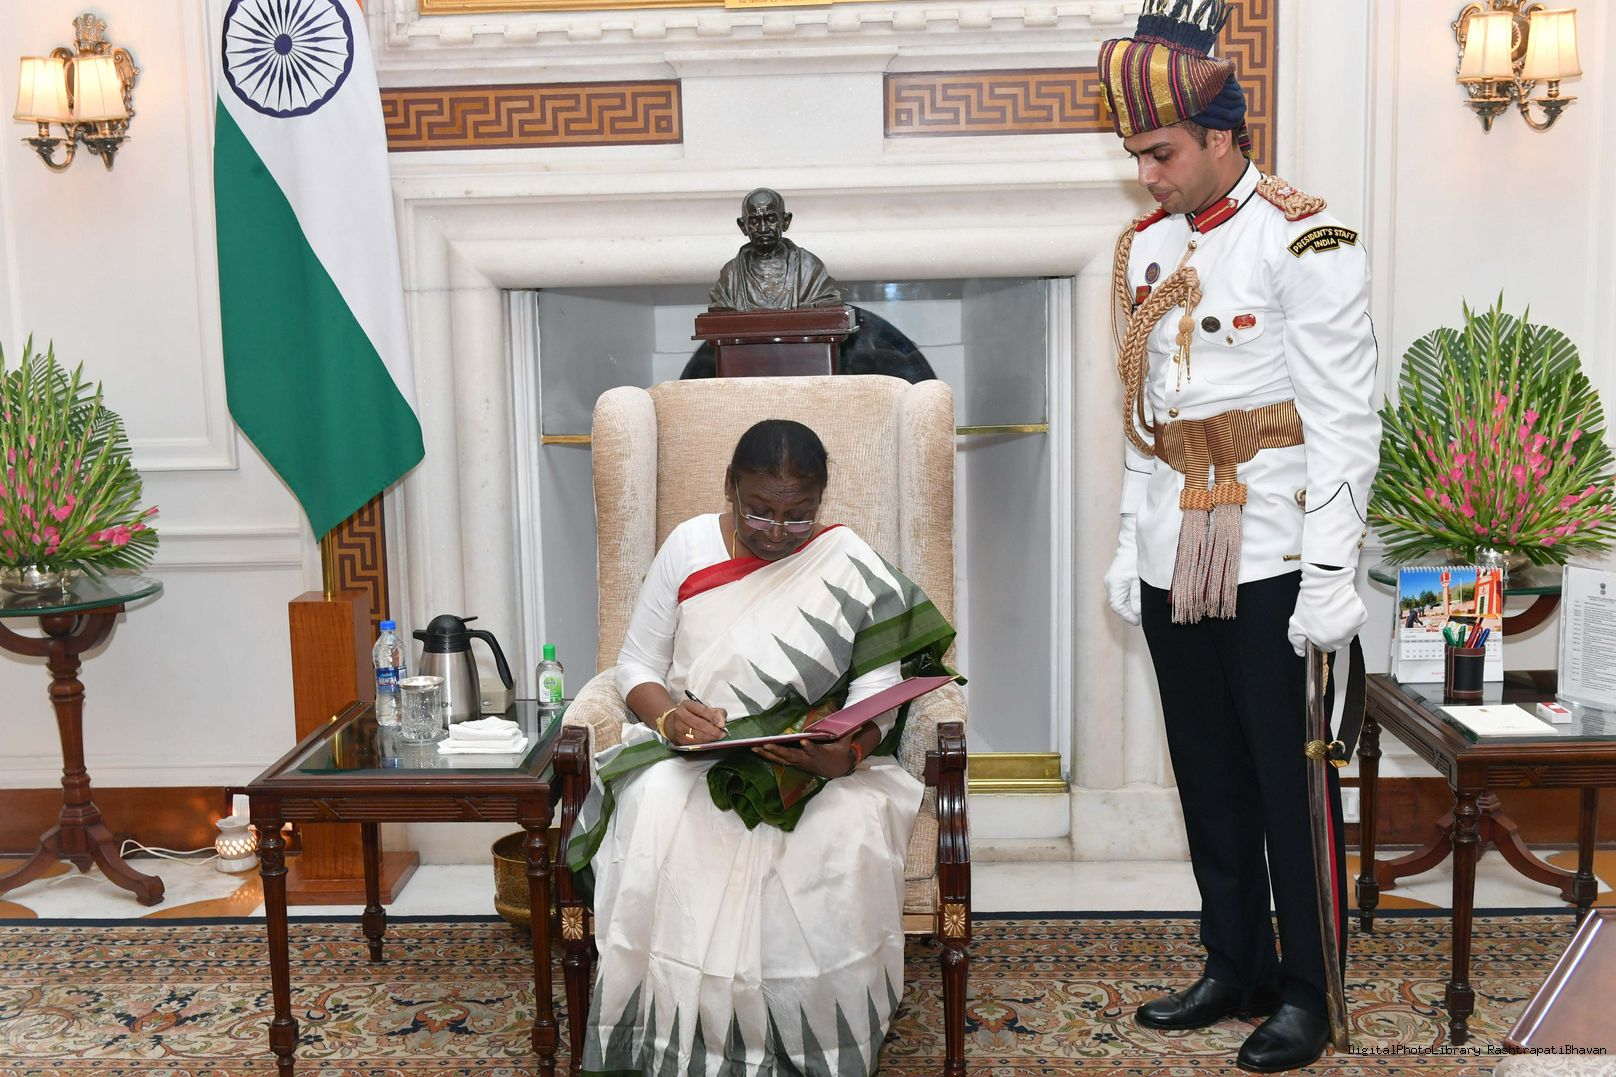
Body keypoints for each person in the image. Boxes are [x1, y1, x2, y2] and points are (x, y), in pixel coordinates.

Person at [1097, 0, 1380, 1071]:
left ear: (1222, 137)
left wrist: (1331, 572)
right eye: (1135, 155)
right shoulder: (1143, 248)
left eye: (1160, 153)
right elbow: (1146, 418)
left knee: (1285, 783)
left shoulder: (1305, 238)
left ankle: (1308, 992)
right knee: (1207, 775)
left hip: (1272, 555)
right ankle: (1237, 963)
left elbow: (1345, 421)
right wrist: (1126, 542)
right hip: (1176, 546)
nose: (1145, 176)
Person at [566, 419, 956, 1077]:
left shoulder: (847, 560)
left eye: (798, 515)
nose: (777, 531)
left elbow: (880, 694)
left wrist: (845, 755)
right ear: (730, 487)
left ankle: (812, 1047)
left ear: (821, 501)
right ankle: (679, 1041)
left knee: (844, 828)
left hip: (814, 763)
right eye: (759, 511)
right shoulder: (688, 545)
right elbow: (634, 666)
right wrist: (670, 719)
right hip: (695, 754)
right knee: (657, 805)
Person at [709, 188, 844, 311]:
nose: (763, 229)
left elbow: (827, 305)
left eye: (771, 219)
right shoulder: (730, 275)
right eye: (754, 221)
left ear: (785, 221)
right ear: (743, 226)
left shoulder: (810, 268)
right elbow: (720, 311)